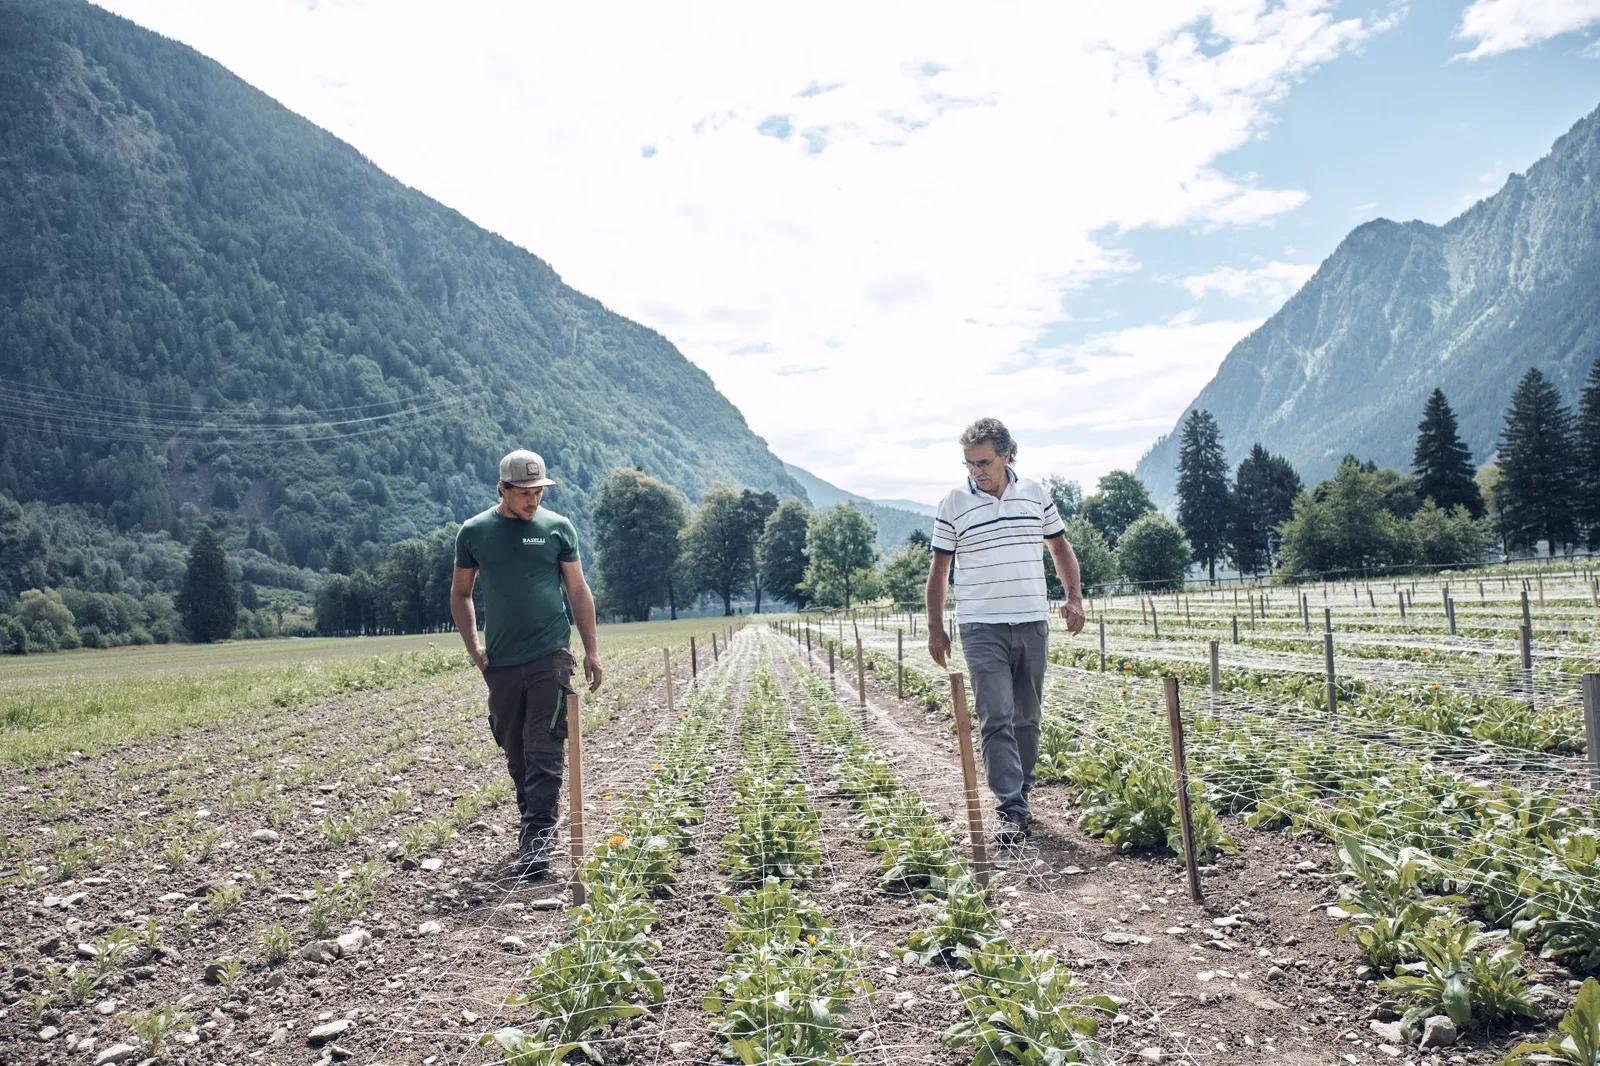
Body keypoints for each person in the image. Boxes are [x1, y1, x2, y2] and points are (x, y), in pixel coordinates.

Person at [925, 418, 1085, 846]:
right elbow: (940, 569)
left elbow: (1059, 547)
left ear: (1007, 455)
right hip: (980, 626)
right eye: (969, 463)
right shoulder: (953, 503)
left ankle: (1022, 792)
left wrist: (1074, 598)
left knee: (1028, 717)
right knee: (996, 715)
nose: (976, 470)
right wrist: (936, 628)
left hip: (1031, 620)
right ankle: (1010, 807)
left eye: (983, 462)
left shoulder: (1035, 494)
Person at [449, 449, 603, 879]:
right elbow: (461, 593)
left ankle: (537, 842)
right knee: (515, 749)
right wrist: (473, 647)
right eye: (524, 493)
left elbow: (578, 590)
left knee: (544, 746)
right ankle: (532, 827)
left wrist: (591, 650)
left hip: (550, 656)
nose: (533, 500)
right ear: (502, 489)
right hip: (499, 661)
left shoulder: (557, 529)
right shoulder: (474, 532)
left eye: (538, 492)